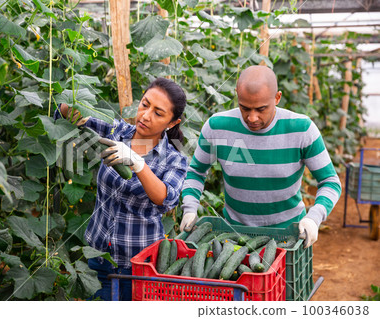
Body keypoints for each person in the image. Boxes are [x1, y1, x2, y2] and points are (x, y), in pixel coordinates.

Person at [180, 65, 341, 249]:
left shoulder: (302, 129)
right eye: (245, 108)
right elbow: (196, 172)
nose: (252, 118)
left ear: (277, 98)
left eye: (261, 109)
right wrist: (190, 207)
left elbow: (330, 181)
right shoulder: (217, 127)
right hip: (233, 238)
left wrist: (314, 217)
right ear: (237, 95)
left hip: (289, 238)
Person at [55, 77, 188, 300]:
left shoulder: (174, 159)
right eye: (145, 104)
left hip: (140, 268)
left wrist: (138, 164)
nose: (146, 116)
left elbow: (166, 198)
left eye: (158, 113)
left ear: (172, 123)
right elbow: (67, 113)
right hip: (98, 258)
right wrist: (73, 106)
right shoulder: (115, 131)